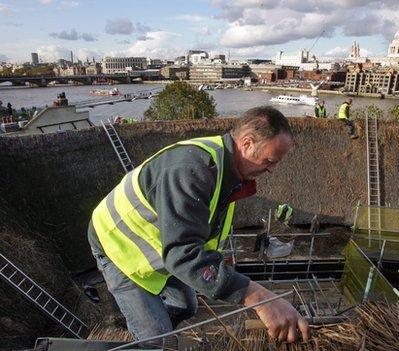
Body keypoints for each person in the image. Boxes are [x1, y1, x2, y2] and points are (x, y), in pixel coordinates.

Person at [88, 106, 310, 345]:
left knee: (186, 307)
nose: (272, 169)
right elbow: (182, 254)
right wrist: (258, 296)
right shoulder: (192, 170)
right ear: (246, 143)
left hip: (163, 250)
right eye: (269, 160)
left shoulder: (230, 176)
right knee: (156, 338)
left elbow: (197, 240)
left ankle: (148, 323)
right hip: (118, 247)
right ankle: (146, 337)